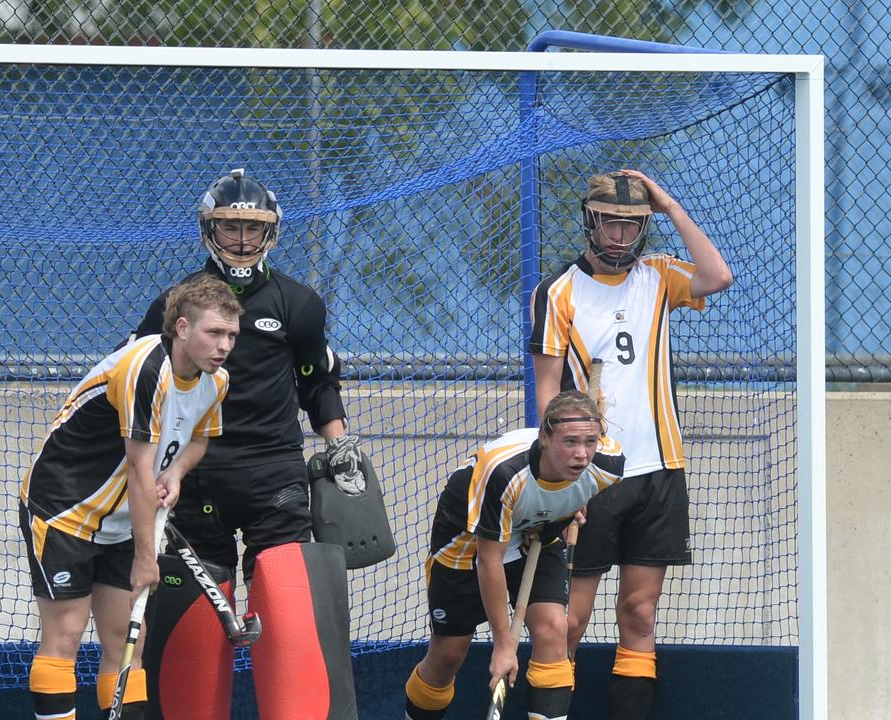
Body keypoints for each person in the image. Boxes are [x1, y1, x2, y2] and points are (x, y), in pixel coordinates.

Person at [131, 169, 365, 719]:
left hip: (276, 475)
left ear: (271, 232)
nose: (240, 238)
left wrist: (339, 449)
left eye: (251, 227)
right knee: (190, 621)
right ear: (208, 229)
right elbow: (139, 382)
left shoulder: (300, 303)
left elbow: (316, 382)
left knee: (289, 608)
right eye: (228, 226)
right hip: (191, 477)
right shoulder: (173, 304)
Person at [528, 169, 734, 719]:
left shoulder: (659, 275)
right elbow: (547, 391)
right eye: (611, 223)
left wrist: (668, 205)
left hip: (659, 469)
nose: (620, 235)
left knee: (640, 614)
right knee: (569, 620)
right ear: (590, 221)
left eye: (632, 225)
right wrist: (553, 476)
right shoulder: (558, 291)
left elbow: (717, 276)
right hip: (590, 475)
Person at [21, 273, 239, 720]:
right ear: (181, 328)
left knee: (125, 643)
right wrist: (146, 557)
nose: (225, 345)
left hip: (125, 519)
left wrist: (177, 471)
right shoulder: (144, 368)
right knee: (65, 636)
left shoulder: (215, 381)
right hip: (66, 510)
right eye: (214, 332)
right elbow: (141, 470)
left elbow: (198, 439)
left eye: (231, 335)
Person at [403, 390, 626, 720]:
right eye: (570, 442)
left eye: (590, 442)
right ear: (545, 438)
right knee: (448, 654)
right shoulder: (505, 472)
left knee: (554, 628)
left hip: (533, 531)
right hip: (468, 542)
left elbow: (577, 493)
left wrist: (561, 512)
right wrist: (504, 645)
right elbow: (488, 560)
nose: (581, 454)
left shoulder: (607, 466)